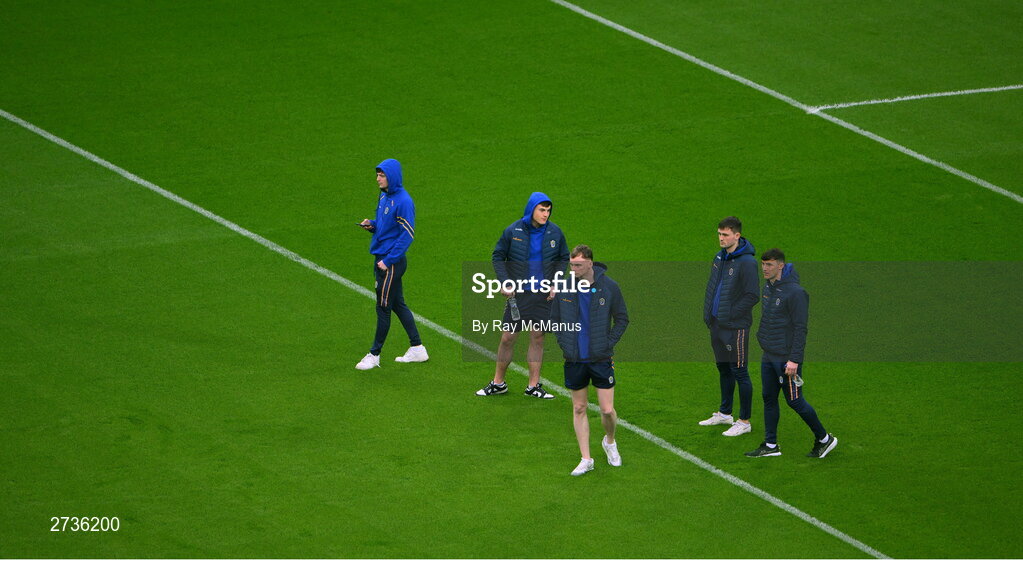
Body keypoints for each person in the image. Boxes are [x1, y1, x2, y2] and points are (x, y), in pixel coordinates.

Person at [745, 249, 837, 458]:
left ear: (781, 266)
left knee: (795, 401)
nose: (764, 269)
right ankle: (770, 446)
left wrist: (794, 359)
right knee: (768, 398)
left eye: (769, 265)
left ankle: (824, 439)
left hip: (786, 358)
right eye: (763, 264)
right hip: (769, 354)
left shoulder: (796, 293)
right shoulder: (768, 287)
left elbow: (800, 328)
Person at [475, 192, 568, 399]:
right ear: (532, 209)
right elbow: (498, 255)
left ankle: (533, 386)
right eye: (542, 210)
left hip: (544, 295)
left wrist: (557, 282)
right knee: (508, 337)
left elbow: (563, 258)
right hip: (519, 295)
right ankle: (498, 383)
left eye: (548, 210)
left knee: (538, 337)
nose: (546, 214)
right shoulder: (513, 230)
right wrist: (504, 281)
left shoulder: (555, 232)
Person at [550, 245, 629, 476]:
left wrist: (607, 343)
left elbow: (622, 319)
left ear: (590, 264)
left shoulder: (609, 287)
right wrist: (564, 343)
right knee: (579, 407)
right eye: (571, 265)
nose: (572, 269)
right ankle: (586, 458)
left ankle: (610, 441)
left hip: (601, 357)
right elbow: (554, 320)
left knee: (606, 410)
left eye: (577, 265)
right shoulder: (564, 287)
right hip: (574, 359)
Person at [355, 159, 428, 370]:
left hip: (390, 263)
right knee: (397, 304)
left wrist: (387, 261)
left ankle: (374, 354)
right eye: (377, 175)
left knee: (383, 307)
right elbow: (387, 227)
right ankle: (417, 348)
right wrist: (372, 226)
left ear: (392, 177)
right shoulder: (384, 195)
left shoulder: (404, 201)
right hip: (381, 257)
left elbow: (407, 235)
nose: (378, 178)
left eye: (382, 175)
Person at [700, 216, 759, 436]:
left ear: (737, 235)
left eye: (725, 235)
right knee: (723, 368)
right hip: (717, 324)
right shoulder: (720, 257)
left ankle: (744, 421)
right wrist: (711, 315)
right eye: (719, 234)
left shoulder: (747, 263)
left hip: (735, 327)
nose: (721, 238)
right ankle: (725, 414)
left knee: (740, 372)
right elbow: (714, 287)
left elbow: (753, 295)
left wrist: (730, 314)